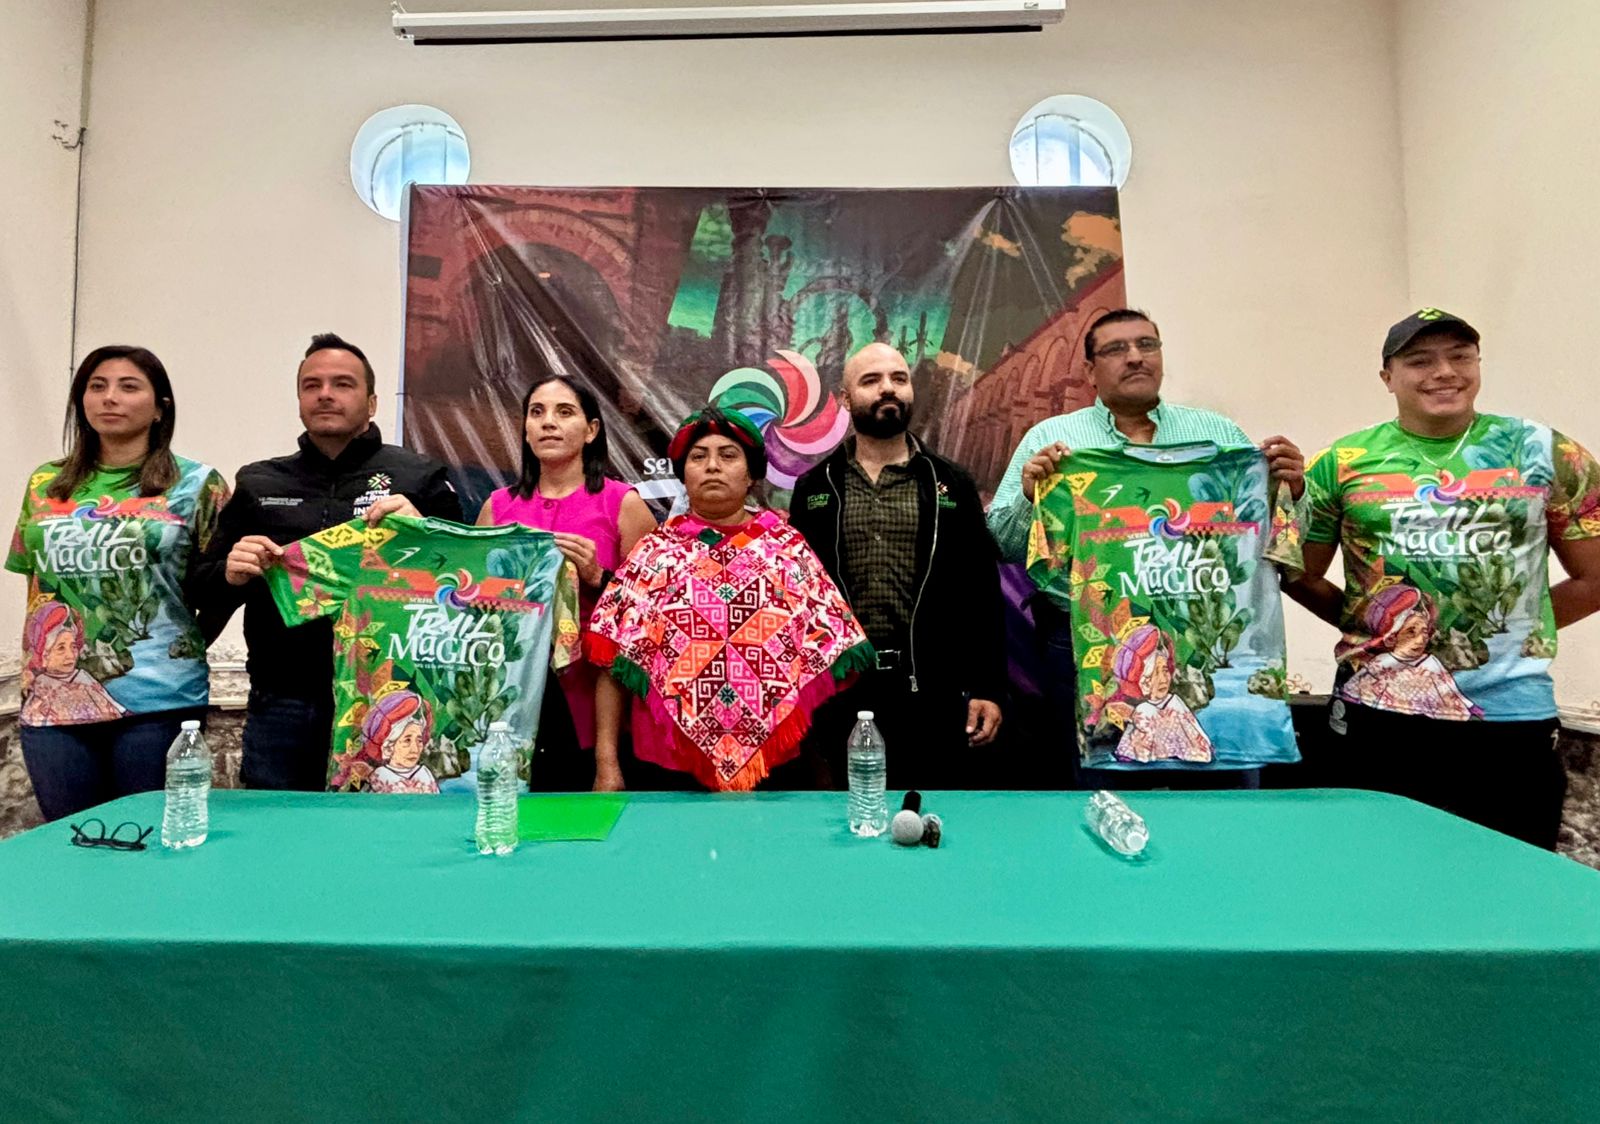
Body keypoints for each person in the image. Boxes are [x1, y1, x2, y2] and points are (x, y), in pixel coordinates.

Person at [1287, 308, 1600, 849]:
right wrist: (1379, 629)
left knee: (1512, 876)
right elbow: (1299, 574)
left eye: (1461, 357)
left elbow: (1594, 577)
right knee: (1379, 868)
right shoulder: (1340, 463)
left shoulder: (1546, 453)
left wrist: (1514, 633)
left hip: (1511, 715)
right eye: (1420, 361)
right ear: (1387, 377)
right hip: (1377, 713)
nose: (1444, 372)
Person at [986, 307, 1306, 789]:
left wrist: (1292, 493)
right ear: (1090, 371)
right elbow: (1004, 545)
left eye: (1146, 345)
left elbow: (1275, 547)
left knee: (1222, 786)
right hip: (1083, 644)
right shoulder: (1053, 441)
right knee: (1101, 785)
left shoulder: (1219, 437)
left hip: (1204, 644)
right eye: (1116, 349)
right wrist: (1033, 498)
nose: (1135, 357)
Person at [189, 333, 461, 791]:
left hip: (389, 701)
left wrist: (427, 534)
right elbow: (199, 585)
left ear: (372, 403)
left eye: (342, 384)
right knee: (276, 827)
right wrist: (232, 573)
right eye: (312, 385)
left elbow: (464, 583)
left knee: (380, 830)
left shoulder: (420, 476)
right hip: (283, 700)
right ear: (299, 400)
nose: (325, 394)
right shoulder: (258, 481)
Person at [586, 407, 872, 792]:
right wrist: (606, 764)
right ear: (683, 474)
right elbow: (612, 662)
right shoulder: (653, 556)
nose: (712, 466)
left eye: (728, 455)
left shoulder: (787, 551)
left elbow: (827, 654)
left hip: (777, 764)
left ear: (751, 474)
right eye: (698, 457)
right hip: (668, 763)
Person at [7, 346, 228, 820]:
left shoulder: (197, 484)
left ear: (160, 406)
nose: (110, 398)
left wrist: (185, 644)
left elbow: (224, 586)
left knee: (146, 838)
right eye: (97, 386)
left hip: (160, 701)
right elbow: (37, 584)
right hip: (51, 705)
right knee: (71, 840)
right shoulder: (46, 483)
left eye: (129, 387)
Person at [788, 342, 1005, 789]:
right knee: (849, 819)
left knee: (926, 817)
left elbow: (981, 591)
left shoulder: (952, 484)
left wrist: (988, 687)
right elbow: (798, 598)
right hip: (841, 692)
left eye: (899, 379)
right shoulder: (814, 487)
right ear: (845, 399)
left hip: (933, 692)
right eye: (871, 380)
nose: (888, 389)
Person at [476, 375, 655, 788]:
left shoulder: (622, 504)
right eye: (536, 413)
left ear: (591, 430)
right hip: (510, 701)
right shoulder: (497, 508)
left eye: (564, 412)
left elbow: (652, 614)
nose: (548, 423)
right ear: (525, 429)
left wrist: (598, 577)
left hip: (597, 707)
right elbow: (471, 605)